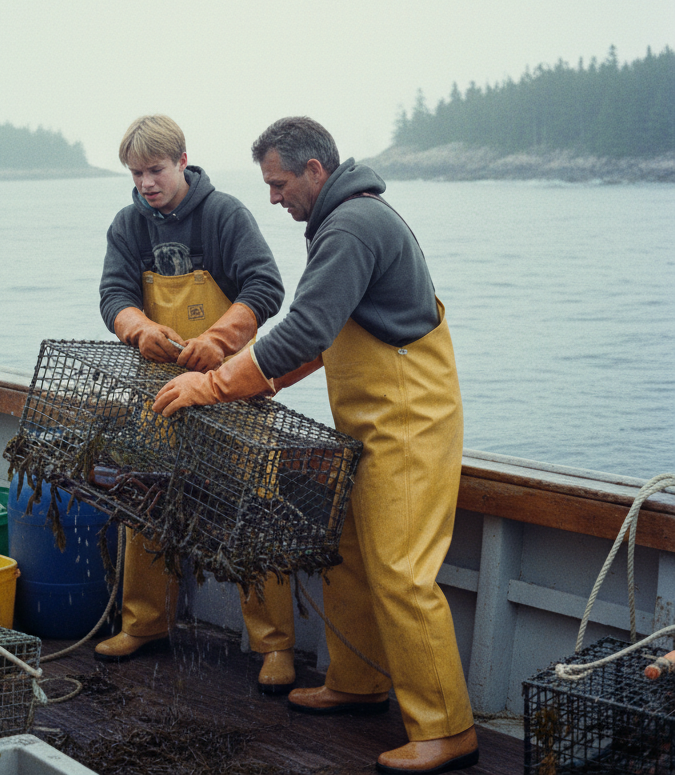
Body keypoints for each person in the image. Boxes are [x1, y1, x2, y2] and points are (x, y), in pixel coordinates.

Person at [153, 116, 479, 775]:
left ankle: (448, 728)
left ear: (315, 170)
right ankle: (358, 682)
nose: (273, 198)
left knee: (402, 573)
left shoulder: (352, 227)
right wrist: (257, 382)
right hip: (369, 426)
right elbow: (327, 338)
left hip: (409, 427)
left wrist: (213, 385)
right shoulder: (343, 223)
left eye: (278, 184)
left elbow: (302, 329)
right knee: (350, 555)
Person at [97, 114, 299, 693]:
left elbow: (266, 286)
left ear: (182, 161)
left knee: (254, 507)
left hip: (232, 387)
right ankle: (144, 624)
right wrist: (138, 328)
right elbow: (113, 294)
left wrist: (218, 339)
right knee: (146, 498)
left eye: (155, 170)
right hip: (158, 389)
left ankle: (275, 646)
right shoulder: (128, 225)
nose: (146, 184)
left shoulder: (225, 215)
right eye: (136, 174)